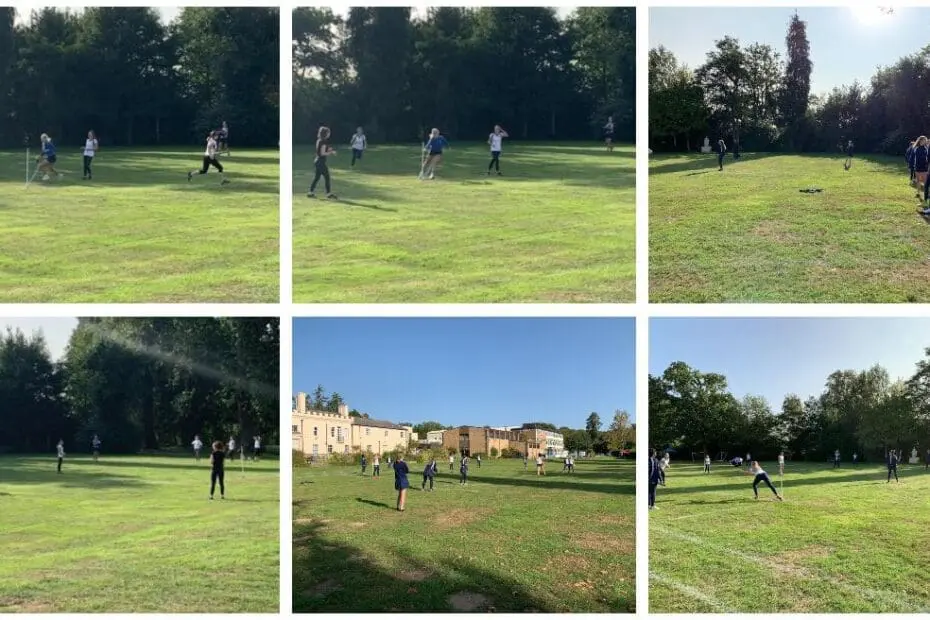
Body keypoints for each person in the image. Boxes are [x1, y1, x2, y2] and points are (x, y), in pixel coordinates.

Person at [308, 126, 337, 199]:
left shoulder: (319, 140)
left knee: (317, 178)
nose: (329, 134)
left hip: (317, 161)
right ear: (325, 133)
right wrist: (330, 153)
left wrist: (329, 150)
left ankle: (310, 192)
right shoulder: (324, 142)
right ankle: (328, 194)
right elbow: (322, 153)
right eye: (328, 132)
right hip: (320, 162)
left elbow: (321, 150)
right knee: (327, 177)